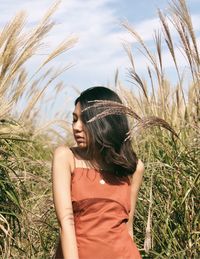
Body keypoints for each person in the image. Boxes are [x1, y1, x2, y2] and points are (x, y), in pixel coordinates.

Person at [52, 86, 144, 259]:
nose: (76, 127)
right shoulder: (66, 157)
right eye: (74, 119)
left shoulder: (132, 167)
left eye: (85, 120)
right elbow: (66, 221)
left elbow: (127, 227)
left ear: (105, 122)